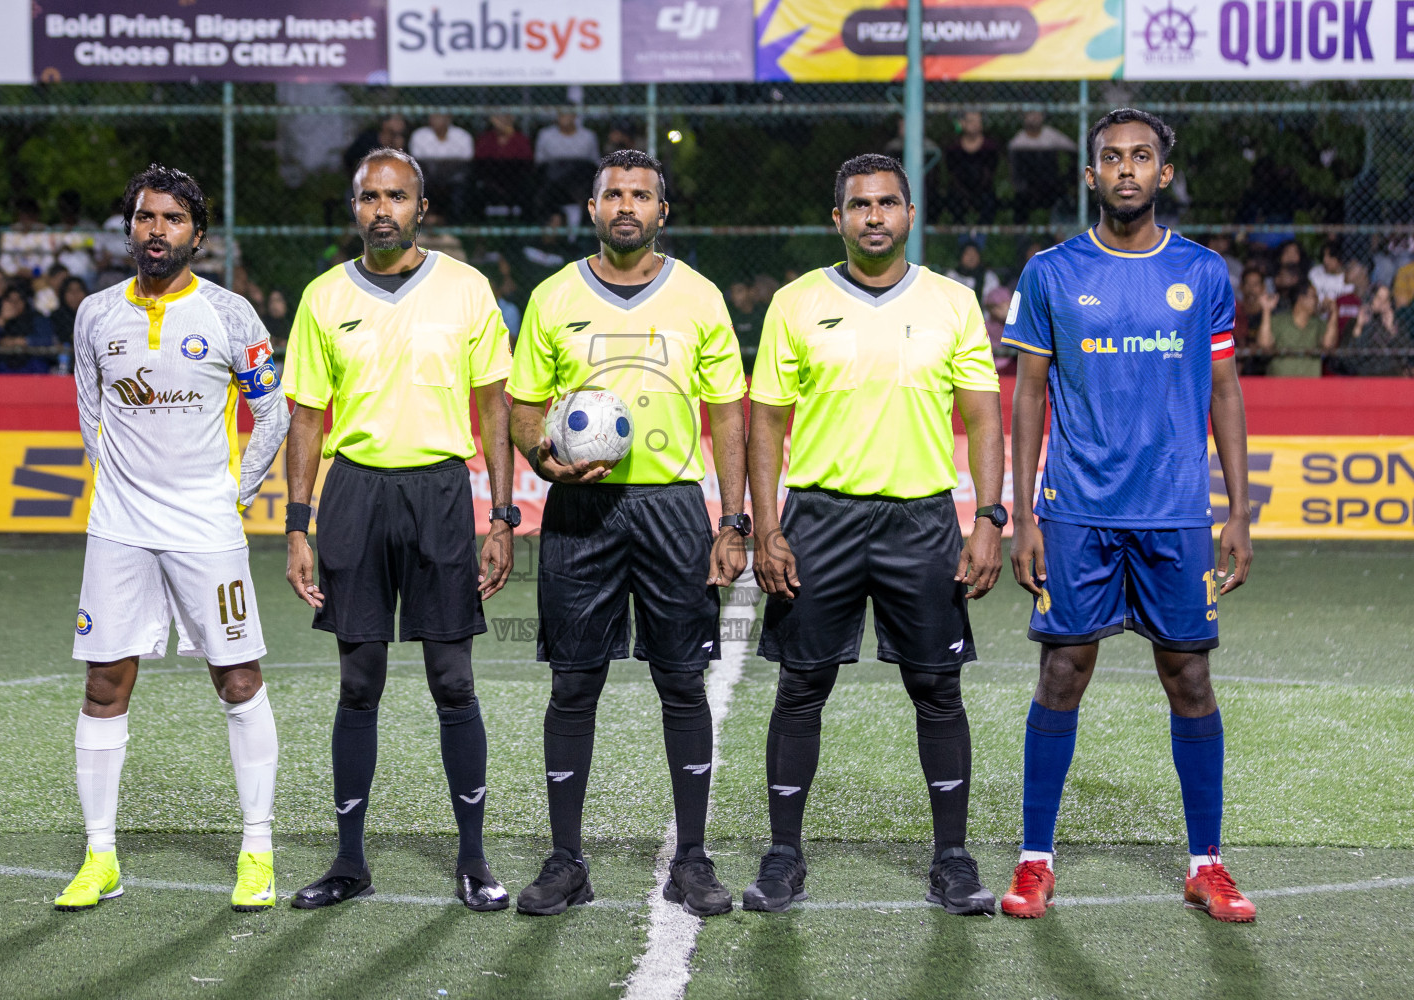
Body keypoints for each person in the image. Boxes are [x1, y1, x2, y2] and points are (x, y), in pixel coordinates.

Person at [999, 108, 1257, 923]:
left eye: (1141, 156)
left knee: (1190, 678)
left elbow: (1224, 392)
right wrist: (1024, 515)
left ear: (1164, 174)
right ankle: (1036, 859)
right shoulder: (1049, 272)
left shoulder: (1205, 274)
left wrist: (1238, 512)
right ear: (1090, 175)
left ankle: (1206, 864)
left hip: (1176, 511)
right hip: (1076, 510)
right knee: (1063, 672)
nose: (1125, 169)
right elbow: (1029, 394)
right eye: (1110, 157)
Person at [742, 152, 1004, 917]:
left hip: (920, 518)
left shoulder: (953, 303)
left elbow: (983, 415)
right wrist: (767, 528)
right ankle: (784, 856)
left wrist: (989, 516)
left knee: (936, 689)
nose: (874, 216)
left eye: (888, 203)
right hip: (818, 518)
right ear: (838, 219)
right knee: (800, 687)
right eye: (859, 205)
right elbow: (766, 421)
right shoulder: (795, 302)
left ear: (909, 215)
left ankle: (952, 859)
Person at [506, 149, 748, 918]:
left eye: (641, 195)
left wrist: (733, 521)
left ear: (661, 213)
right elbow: (520, 406)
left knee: (682, 681)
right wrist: (542, 457)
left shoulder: (701, 298)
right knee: (575, 684)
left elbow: (730, 414)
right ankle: (565, 859)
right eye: (613, 193)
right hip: (580, 510)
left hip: (675, 506)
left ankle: (695, 859)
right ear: (592, 207)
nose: (626, 206)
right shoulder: (551, 297)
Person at [282, 147, 517, 913]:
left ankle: (475, 861)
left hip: (442, 493)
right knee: (359, 682)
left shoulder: (465, 288)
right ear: (353, 207)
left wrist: (503, 516)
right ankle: (349, 861)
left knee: (453, 680)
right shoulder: (322, 297)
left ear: (423, 207)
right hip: (353, 494)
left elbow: (494, 409)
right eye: (369, 196)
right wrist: (297, 526)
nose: (382, 208)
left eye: (397, 196)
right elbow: (308, 420)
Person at [54, 164, 290, 913]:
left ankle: (257, 851)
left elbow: (272, 414)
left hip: (205, 529)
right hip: (119, 528)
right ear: (130, 228)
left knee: (239, 679)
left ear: (197, 235)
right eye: (145, 217)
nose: (156, 230)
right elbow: (91, 412)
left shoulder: (231, 314)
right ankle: (100, 858)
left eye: (171, 219)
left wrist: (233, 494)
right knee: (103, 684)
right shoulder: (94, 313)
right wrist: (120, 486)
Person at [1007, 110, 1078, 222]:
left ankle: (1060, 233)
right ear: (1024, 117)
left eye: (1038, 114)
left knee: (1067, 201)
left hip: (1051, 185)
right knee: (1019, 203)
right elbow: (1015, 171)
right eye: (1031, 113)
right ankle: (1023, 237)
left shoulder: (1051, 136)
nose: (1035, 117)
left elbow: (1075, 150)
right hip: (1028, 188)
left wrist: (1067, 177)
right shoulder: (1018, 142)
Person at [533, 111, 601, 225]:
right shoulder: (545, 135)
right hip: (553, 180)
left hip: (580, 181)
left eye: (568, 113)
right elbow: (539, 163)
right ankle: (552, 225)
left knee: (588, 178)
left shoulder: (588, 136)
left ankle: (583, 231)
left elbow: (595, 162)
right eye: (561, 113)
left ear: (574, 116)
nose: (564, 117)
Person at [1258, 284, 1336, 377]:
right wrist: (1266, 310)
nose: (1317, 300)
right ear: (1301, 298)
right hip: (1280, 385)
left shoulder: (1318, 323)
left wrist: (1334, 312)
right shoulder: (1278, 321)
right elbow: (1264, 344)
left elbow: (1328, 344)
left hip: (1311, 385)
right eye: (1314, 296)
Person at [409, 113, 475, 221]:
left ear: (448, 119)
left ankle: (456, 220)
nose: (436, 120)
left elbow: (467, 160)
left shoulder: (462, 135)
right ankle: (426, 218)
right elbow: (418, 161)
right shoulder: (419, 135)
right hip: (429, 176)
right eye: (433, 116)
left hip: (455, 176)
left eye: (440, 116)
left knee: (462, 182)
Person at [1343, 284, 1412, 377]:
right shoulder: (1354, 322)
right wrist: (1359, 326)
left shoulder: (1397, 324)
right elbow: (1348, 359)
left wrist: (1391, 329)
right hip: (1364, 377)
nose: (1382, 302)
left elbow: (1406, 354)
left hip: (1392, 378)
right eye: (1378, 298)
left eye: (1386, 299)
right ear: (1370, 299)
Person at [944, 111, 999, 224]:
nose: (975, 124)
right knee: (954, 199)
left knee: (989, 201)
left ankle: (980, 237)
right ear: (962, 123)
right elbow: (952, 174)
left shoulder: (990, 147)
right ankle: (962, 236)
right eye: (971, 121)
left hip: (984, 189)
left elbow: (990, 174)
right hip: (960, 189)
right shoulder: (954, 148)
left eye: (978, 121)